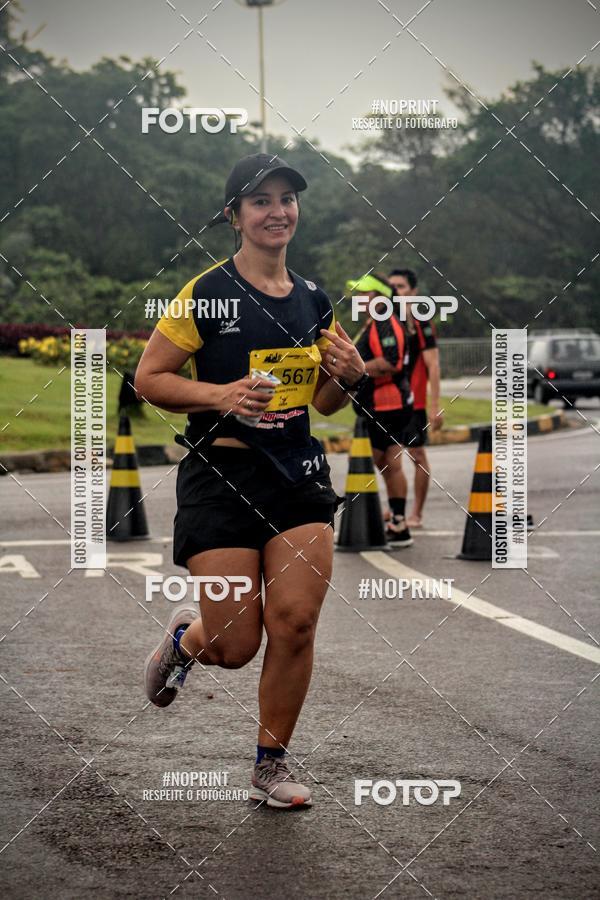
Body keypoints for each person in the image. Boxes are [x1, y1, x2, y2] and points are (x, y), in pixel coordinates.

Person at [135, 153, 367, 809]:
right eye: (260, 201)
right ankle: (188, 638)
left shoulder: (314, 299)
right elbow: (150, 378)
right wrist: (223, 395)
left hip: (296, 475)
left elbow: (324, 405)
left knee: (294, 624)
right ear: (234, 215)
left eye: (287, 199)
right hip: (222, 474)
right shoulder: (204, 293)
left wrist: (346, 376)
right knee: (235, 644)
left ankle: (271, 764)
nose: (277, 211)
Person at [345, 273, 413, 547]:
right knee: (386, 463)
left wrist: (354, 369)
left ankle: (390, 522)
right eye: (357, 295)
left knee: (379, 462)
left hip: (389, 405)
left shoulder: (385, 320)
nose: (358, 299)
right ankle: (397, 519)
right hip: (379, 403)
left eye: (364, 294)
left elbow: (392, 362)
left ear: (380, 297)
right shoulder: (375, 322)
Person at [387, 268, 443, 528]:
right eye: (392, 287)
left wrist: (435, 406)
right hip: (388, 401)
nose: (395, 292)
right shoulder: (386, 320)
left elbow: (433, 364)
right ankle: (395, 508)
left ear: (413, 292)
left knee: (417, 455)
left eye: (400, 286)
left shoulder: (421, 323)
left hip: (415, 403)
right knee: (386, 456)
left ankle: (416, 513)